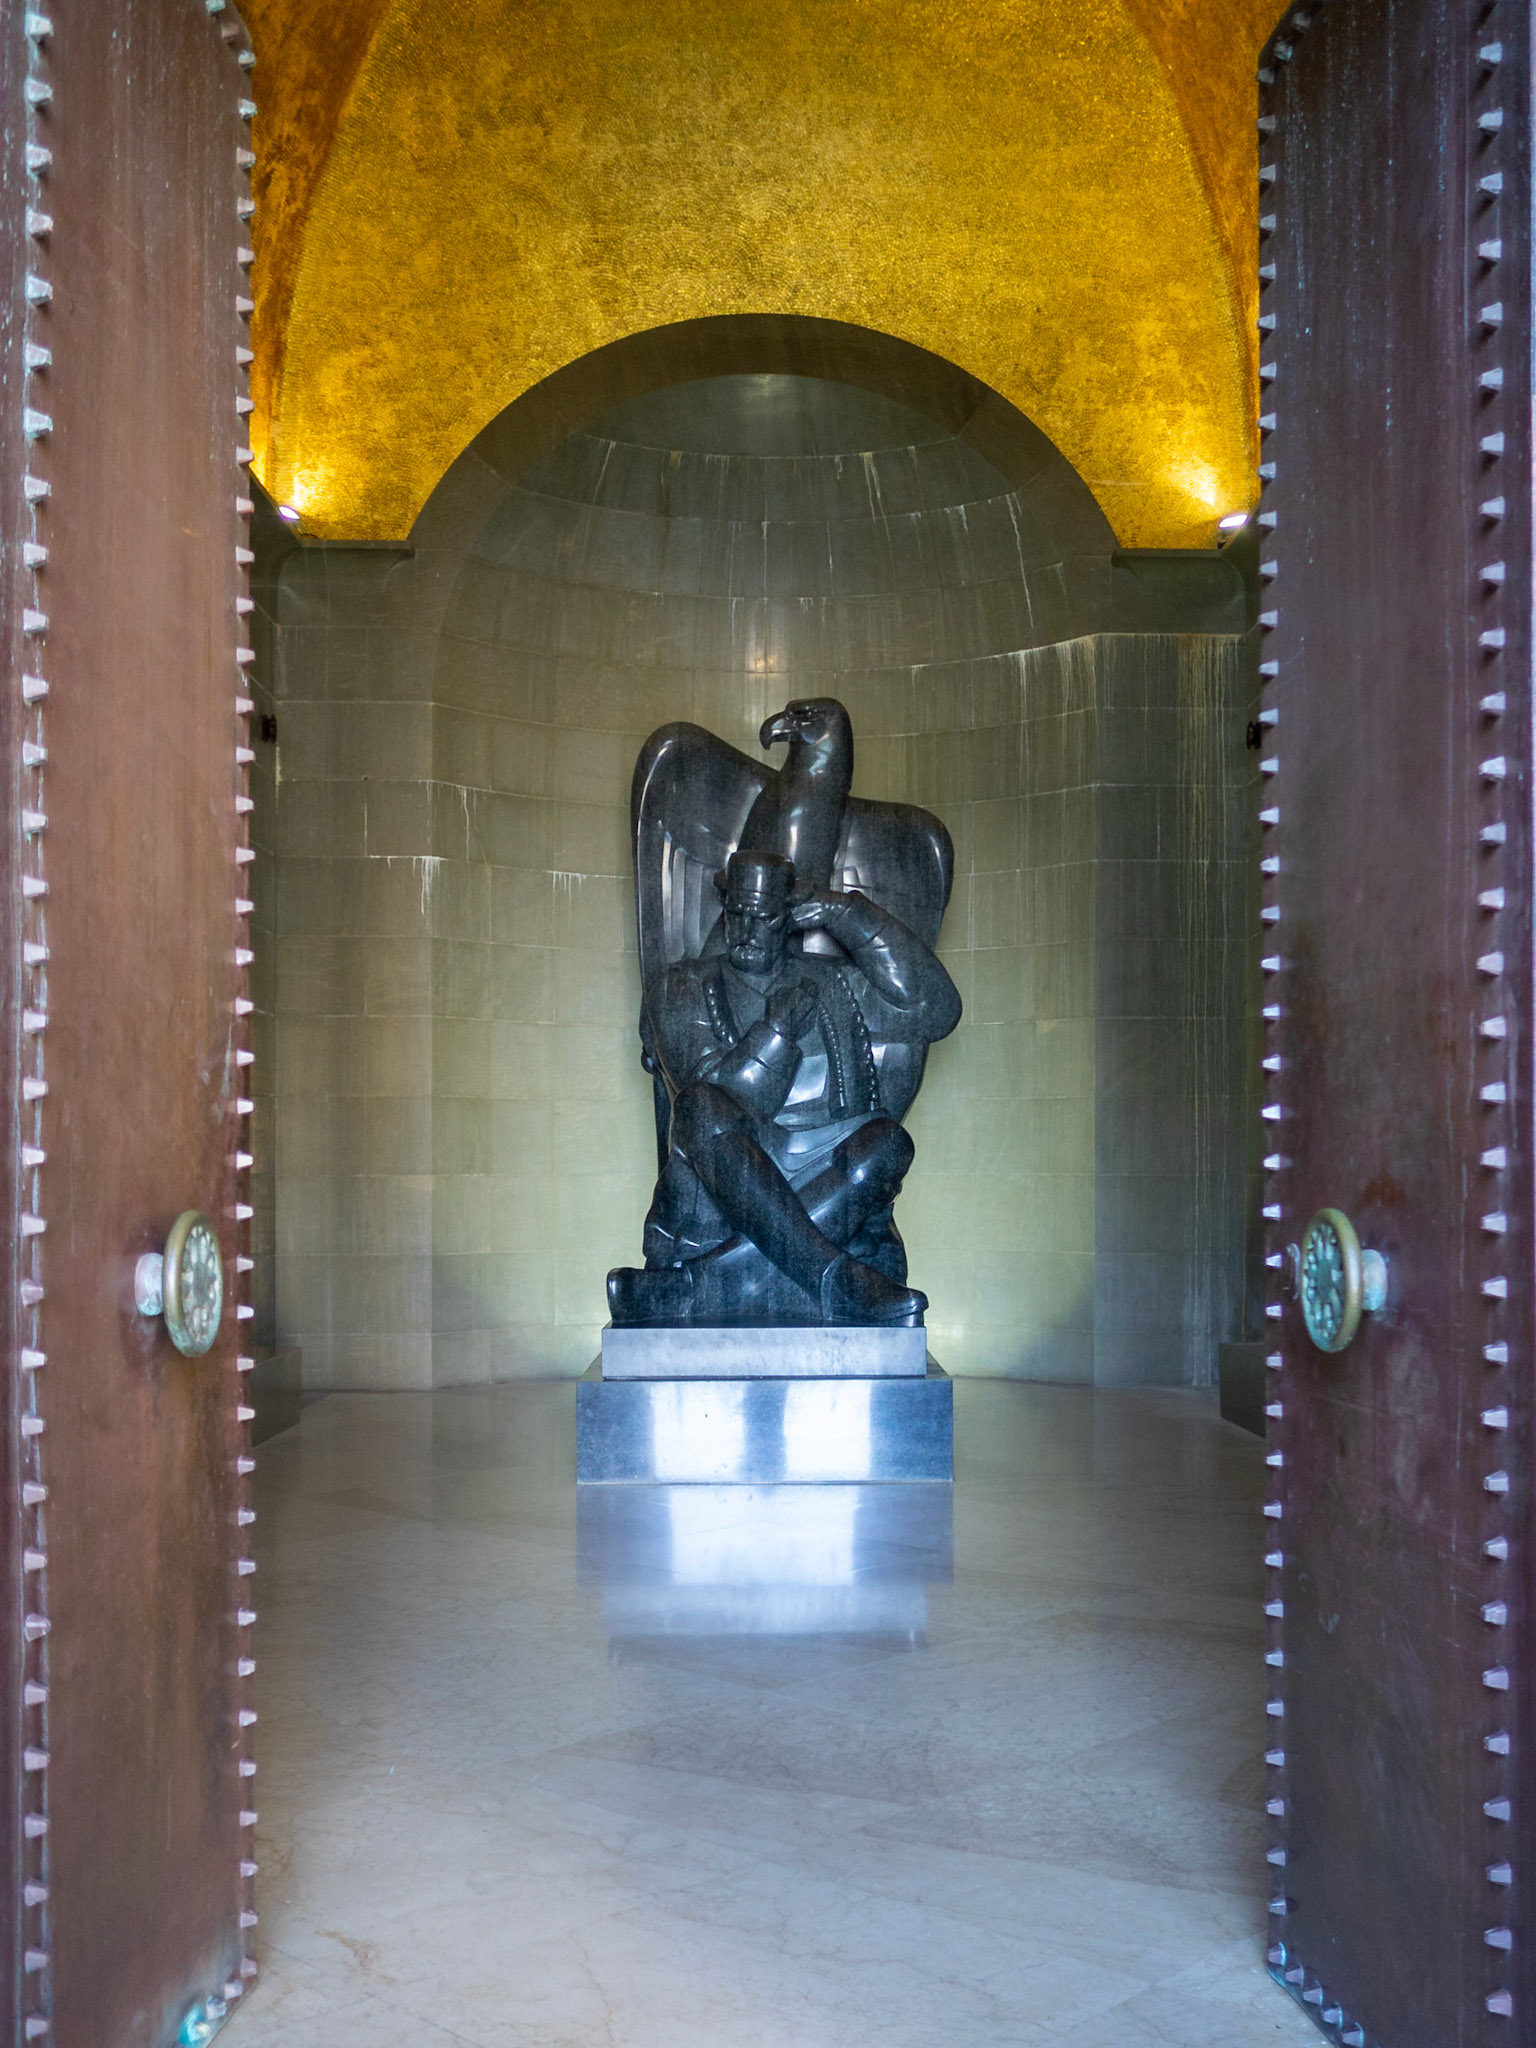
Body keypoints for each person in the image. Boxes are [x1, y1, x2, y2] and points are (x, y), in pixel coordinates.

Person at [607, 847, 962, 1326]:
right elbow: (711, 1100)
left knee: (888, 1144)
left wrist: (847, 914)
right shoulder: (680, 987)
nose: (747, 932)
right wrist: (776, 1035)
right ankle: (836, 1279)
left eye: (764, 918)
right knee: (700, 1107)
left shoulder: (833, 984)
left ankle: (693, 1287)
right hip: (727, 1171)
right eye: (738, 915)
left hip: (820, 1170)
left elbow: (936, 1010)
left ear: (790, 918)